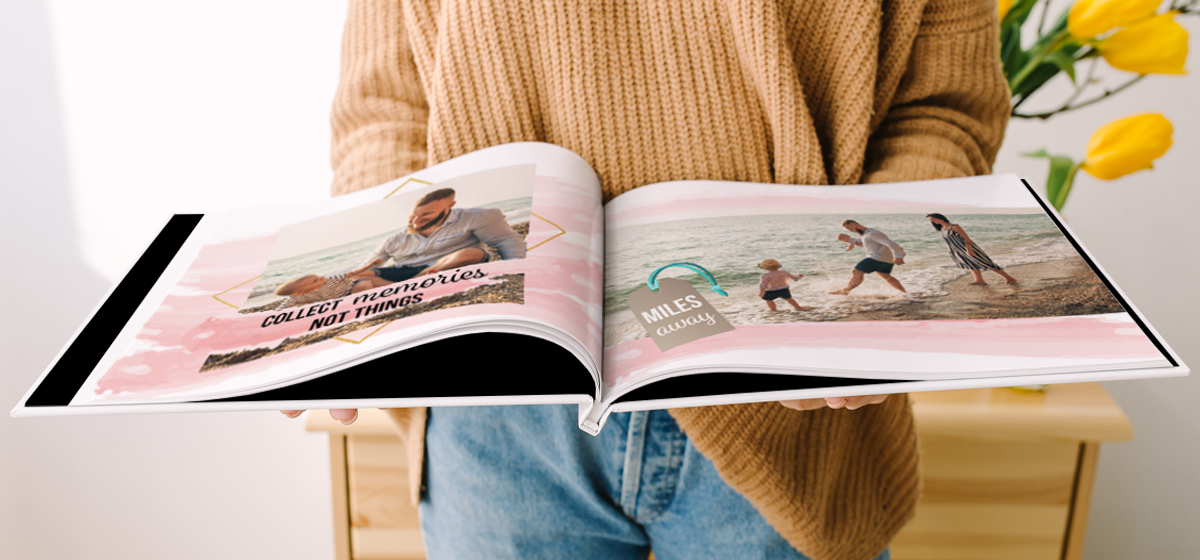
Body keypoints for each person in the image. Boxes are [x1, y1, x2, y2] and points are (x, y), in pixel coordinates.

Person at [286, 2, 1011, 559]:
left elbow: (943, 110)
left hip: (791, 405)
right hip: (501, 405)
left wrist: (864, 318)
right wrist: (375, 309)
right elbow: (386, 113)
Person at [331, 187, 526, 289]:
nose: (416, 221)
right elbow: (368, 265)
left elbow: (505, 240)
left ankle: (413, 283)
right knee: (359, 276)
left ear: (450, 206)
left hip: (453, 263)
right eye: (413, 216)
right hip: (406, 272)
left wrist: (516, 265)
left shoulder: (475, 217)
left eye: (426, 215)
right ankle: (408, 284)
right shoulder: (394, 240)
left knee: (472, 252)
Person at [926, 213, 1019, 285]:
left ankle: (1010, 278)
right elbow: (948, 241)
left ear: (940, 217)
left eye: (934, 219)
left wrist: (969, 249)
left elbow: (966, 238)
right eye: (932, 220)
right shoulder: (942, 229)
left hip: (968, 248)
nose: (934, 221)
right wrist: (949, 249)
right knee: (971, 264)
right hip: (958, 250)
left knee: (986, 263)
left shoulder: (954, 227)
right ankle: (979, 280)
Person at [829, 220, 908, 296]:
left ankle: (845, 291)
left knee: (856, 272)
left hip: (877, 258)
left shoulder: (873, 233)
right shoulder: (865, 235)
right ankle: (904, 293)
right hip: (886, 260)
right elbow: (864, 244)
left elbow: (891, 243)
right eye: (848, 230)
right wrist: (851, 242)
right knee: (886, 276)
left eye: (850, 228)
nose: (851, 231)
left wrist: (898, 256)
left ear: (854, 224)